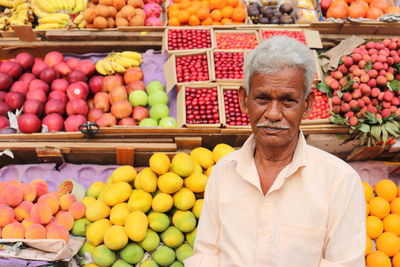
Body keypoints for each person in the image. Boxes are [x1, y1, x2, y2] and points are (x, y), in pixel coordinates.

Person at [184, 36, 366, 267]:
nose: (272, 113)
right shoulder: (224, 172)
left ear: (308, 105)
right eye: (262, 98)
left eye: (288, 100)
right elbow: (207, 255)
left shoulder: (339, 181)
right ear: (243, 100)